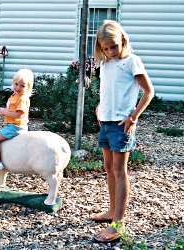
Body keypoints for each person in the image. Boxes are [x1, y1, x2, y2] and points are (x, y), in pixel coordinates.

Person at [91, 20, 154, 243]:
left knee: (120, 171)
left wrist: (133, 117)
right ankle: (111, 211)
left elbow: (149, 92)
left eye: (114, 47)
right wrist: (100, 109)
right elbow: (107, 91)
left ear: (123, 41)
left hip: (121, 125)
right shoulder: (106, 64)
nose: (110, 51)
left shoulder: (132, 62)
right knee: (108, 168)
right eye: (105, 48)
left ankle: (118, 223)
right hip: (105, 123)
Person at [0, 68, 34, 176]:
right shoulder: (15, 96)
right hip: (13, 125)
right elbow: (12, 110)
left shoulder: (22, 98)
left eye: (22, 86)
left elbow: (18, 114)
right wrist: (3, 111)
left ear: (28, 87)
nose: (18, 87)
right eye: (16, 84)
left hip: (17, 126)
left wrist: (4, 112)